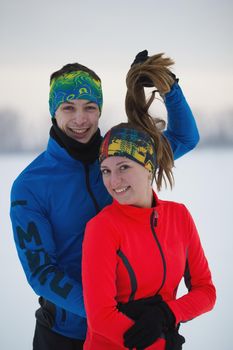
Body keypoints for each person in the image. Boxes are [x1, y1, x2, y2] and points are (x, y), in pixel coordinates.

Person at [10, 51, 199, 350]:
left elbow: (186, 138)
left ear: (99, 110)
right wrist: (105, 313)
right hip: (66, 334)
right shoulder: (30, 185)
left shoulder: (120, 156)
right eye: (68, 107)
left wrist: (169, 88)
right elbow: (41, 272)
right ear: (53, 112)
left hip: (133, 332)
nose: (80, 118)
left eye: (89, 107)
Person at [81, 54, 216, 350]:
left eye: (124, 167)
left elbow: (206, 292)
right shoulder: (102, 228)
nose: (113, 182)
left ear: (150, 168)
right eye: (106, 170)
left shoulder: (179, 217)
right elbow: (101, 319)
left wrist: (170, 312)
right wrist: (162, 344)